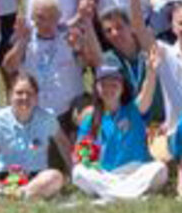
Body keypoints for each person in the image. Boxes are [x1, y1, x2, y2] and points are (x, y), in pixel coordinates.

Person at [69, 66, 166, 203]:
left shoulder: (133, 109)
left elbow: (147, 91)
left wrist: (151, 72)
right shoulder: (90, 120)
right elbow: (80, 155)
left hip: (135, 171)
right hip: (106, 174)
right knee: (78, 172)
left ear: (122, 88)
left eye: (114, 85)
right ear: (97, 88)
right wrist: (86, 158)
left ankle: (111, 196)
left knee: (160, 169)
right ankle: (130, 195)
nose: (109, 90)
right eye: (104, 85)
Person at [0, 73, 70, 201]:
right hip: (4, 177)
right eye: (19, 93)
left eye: (29, 93)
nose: (24, 97)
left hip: (36, 179)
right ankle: (15, 195)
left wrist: (74, 172)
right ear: (10, 95)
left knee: (55, 176)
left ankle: (11, 196)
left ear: (36, 97)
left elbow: (63, 144)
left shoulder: (47, 118)